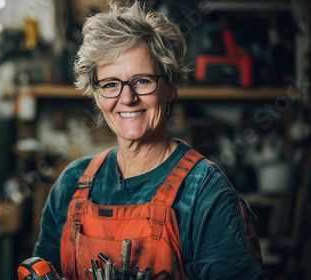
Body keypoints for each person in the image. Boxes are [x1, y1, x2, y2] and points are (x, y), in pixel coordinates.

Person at [32, 2, 265, 279]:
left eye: (142, 81)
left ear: (170, 86)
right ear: (95, 94)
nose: (127, 98)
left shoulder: (205, 193)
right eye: (110, 84)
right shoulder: (72, 184)